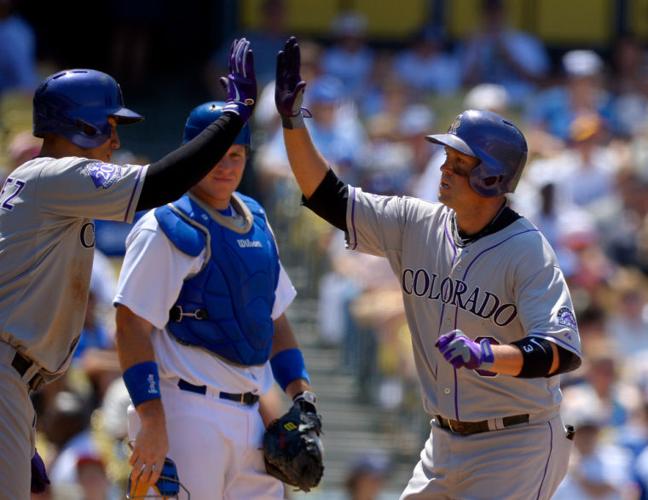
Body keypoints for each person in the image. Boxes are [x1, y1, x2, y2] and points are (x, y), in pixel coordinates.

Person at [275, 36, 583, 499]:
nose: (444, 168)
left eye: (459, 162)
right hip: (442, 442)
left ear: (492, 178)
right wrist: (293, 123)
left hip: (516, 443)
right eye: (446, 157)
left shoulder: (528, 251)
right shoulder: (416, 223)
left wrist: (486, 356)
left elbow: (561, 351)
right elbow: (327, 197)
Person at [0, 37, 257, 498]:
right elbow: (160, 182)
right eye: (109, 127)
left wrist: (21, 412)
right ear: (80, 126)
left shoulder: (42, 189)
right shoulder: (54, 174)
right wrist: (231, 119)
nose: (117, 141)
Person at [113, 100, 318, 498]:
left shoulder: (256, 219)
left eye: (236, 155)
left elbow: (274, 321)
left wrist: (301, 397)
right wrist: (151, 420)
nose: (226, 167)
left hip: (253, 416)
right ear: (191, 153)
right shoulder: (164, 225)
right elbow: (129, 324)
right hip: (185, 409)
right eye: (214, 156)